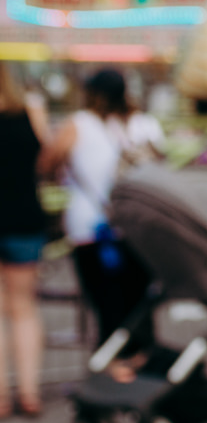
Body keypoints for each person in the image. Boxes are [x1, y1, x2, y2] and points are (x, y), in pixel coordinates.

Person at [39, 68, 166, 372]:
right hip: (139, 227)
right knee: (139, 300)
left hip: (90, 227)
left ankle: (112, 366)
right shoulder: (145, 124)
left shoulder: (79, 124)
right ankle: (142, 363)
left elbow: (46, 163)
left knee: (105, 302)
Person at [0, 66, 49, 419]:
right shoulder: (32, 110)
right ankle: (29, 393)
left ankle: (1, 396)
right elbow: (46, 161)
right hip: (24, 217)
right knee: (23, 307)